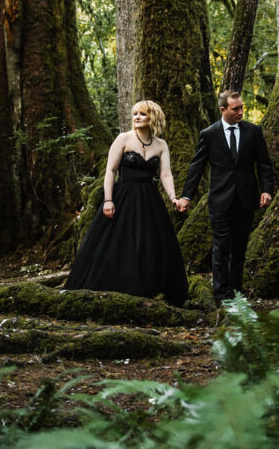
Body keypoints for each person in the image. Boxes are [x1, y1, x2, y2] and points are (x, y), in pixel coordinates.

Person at [65, 100, 188, 305]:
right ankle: (115, 287)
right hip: (123, 196)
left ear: (153, 118)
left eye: (143, 114)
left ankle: (149, 288)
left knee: (150, 243)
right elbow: (110, 171)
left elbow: (165, 174)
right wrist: (108, 200)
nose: (137, 117)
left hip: (149, 199)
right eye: (135, 114)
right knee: (120, 242)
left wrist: (173, 197)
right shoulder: (124, 139)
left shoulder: (161, 145)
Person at [177, 90, 274, 305]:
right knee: (221, 248)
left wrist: (266, 190)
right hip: (220, 201)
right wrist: (186, 196)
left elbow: (264, 164)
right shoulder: (209, 134)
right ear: (223, 110)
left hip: (246, 200)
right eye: (235, 109)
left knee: (239, 250)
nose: (241, 112)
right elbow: (197, 167)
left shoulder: (253, 131)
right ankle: (221, 297)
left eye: (242, 107)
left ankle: (237, 294)